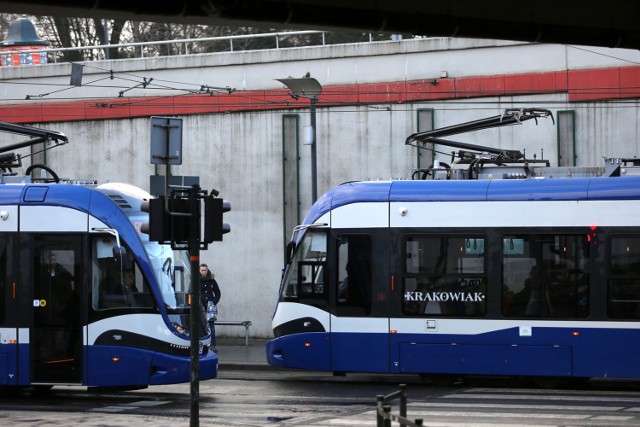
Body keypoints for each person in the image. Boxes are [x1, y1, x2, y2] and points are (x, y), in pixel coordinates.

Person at [199, 264, 221, 352]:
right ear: (199, 271)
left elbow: (218, 292)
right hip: (200, 306)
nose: (204, 272)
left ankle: (213, 345)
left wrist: (214, 302)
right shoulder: (196, 280)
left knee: (211, 325)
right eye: (202, 270)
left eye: (205, 270)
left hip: (211, 306)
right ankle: (201, 344)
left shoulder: (212, 281)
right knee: (200, 325)